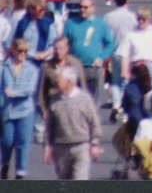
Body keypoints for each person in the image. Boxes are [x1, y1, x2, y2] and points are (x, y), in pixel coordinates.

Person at [43, 67, 102, 180]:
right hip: (61, 149)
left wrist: (95, 143)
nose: (55, 82)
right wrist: (47, 147)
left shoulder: (84, 99)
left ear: (68, 82)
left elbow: (94, 122)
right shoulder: (54, 101)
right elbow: (49, 127)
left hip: (81, 146)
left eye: (58, 80)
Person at [1, 39, 41, 180]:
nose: (23, 54)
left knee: (23, 142)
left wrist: (13, 93)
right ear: (13, 51)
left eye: (25, 51)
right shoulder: (4, 68)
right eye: (20, 51)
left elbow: (29, 90)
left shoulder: (31, 69)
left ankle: (20, 172)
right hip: (7, 110)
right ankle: (5, 165)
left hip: (25, 110)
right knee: (7, 141)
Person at [63, 0, 114, 103]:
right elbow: (63, 44)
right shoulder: (70, 24)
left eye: (85, 7)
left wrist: (101, 58)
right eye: (80, 7)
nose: (82, 10)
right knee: (74, 99)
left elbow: (110, 44)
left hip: (93, 67)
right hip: (75, 67)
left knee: (91, 101)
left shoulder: (100, 24)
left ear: (92, 8)